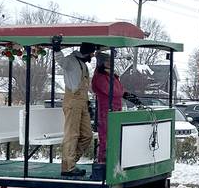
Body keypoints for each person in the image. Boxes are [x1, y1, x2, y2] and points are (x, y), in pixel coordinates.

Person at [90, 52, 142, 180]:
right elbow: (113, 91)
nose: (110, 63)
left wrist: (130, 97)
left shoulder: (111, 76)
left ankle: (112, 161)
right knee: (106, 137)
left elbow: (121, 90)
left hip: (116, 109)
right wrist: (121, 92)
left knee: (114, 137)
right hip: (106, 110)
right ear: (102, 63)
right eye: (107, 61)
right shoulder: (100, 77)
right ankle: (103, 162)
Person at [53, 41, 96, 177]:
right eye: (92, 52)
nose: (93, 55)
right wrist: (57, 49)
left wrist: (87, 102)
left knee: (87, 135)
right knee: (72, 134)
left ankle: (70, 162)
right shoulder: (71, 60)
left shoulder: (83, 63)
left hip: (83, 101)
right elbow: (60, 61)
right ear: (88, 52)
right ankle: (68, 167)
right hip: (73, 99)